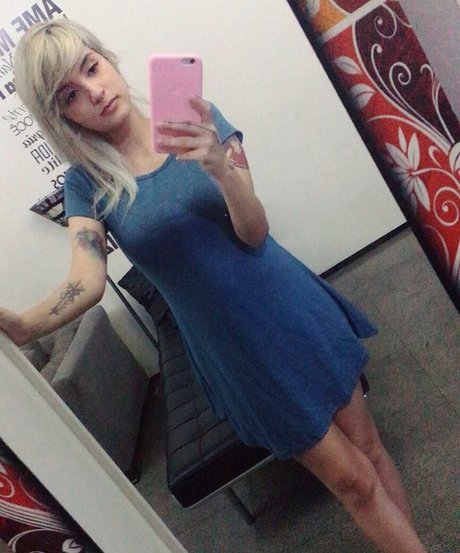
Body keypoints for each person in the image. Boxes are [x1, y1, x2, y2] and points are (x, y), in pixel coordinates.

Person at [0, 20, 427, 553]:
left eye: (91, 68)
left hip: (289, 306)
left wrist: (221, 169)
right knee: (352, 481)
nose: (94, 91)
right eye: (70, 95)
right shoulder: (87, 184)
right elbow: (86, 280)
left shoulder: (197, 120)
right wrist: (24, 325)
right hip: (236, 351)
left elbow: (255, 233)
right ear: (62, 115)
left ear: (107, 58)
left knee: (371, 450)